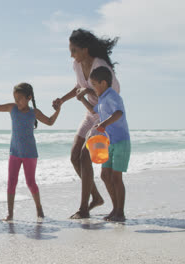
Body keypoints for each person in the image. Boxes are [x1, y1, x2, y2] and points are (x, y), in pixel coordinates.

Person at [52, 28, 120, 219]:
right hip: (90, 113)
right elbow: (79, 87)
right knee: (74, 156)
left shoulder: (101, 66)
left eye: (74, 50)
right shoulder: (77, 64)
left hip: (104, 115)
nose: (71, 54)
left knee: (84, 156)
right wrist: (62, 100)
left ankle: (83, 209)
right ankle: (96, 198)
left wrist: (86, 96)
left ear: (85, 49)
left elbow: (111, 96)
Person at [0, 82, 60, 222]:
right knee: (11, 182)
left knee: (31, 182)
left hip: (30, 154)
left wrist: (57, 110)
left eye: (19, 98)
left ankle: (39, 209)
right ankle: (10, 214)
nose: (17, 101)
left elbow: (49, 122)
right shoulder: (12, 108)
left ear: (29, 97)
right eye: (15, 98)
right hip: (14, 153)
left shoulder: (33, 112)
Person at [77, 66, 130, 222]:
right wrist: (82, 99)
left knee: (116, 177)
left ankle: (120, 212)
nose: (93, 87)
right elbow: (95, 112)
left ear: (104, 83)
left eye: (94, 84)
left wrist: (104, 124)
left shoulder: (112, 96)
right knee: (105, 175)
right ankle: (115, 209)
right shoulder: (102, 98)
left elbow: (118, 113)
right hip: (108, 142)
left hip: (121, 141)